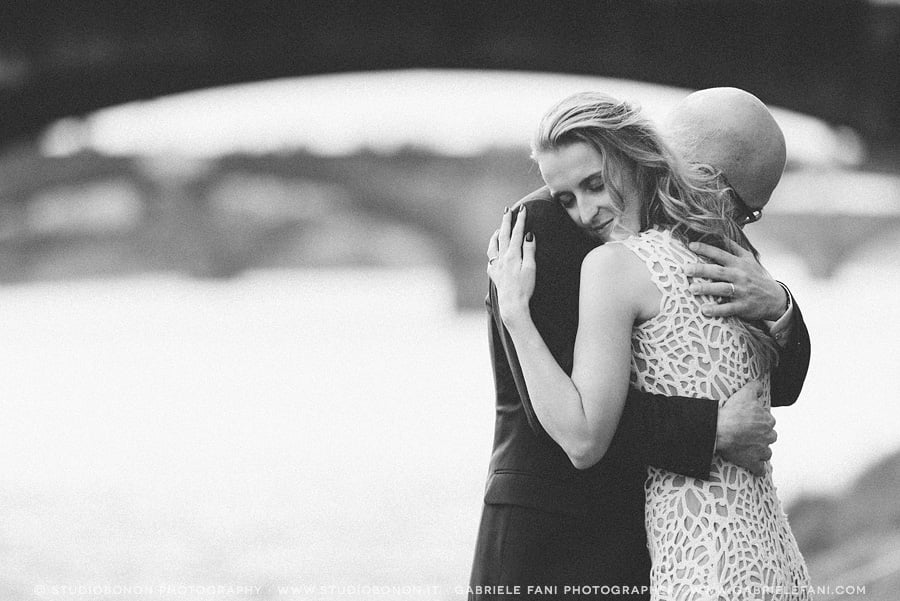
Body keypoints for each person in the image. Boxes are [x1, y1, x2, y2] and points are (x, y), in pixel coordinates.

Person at [483, 90, 810, 599]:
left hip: (669, 535)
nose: (585, 212)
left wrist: (778, 302)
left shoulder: (694, 233)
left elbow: (773, 385)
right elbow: (561, 420)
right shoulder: (540, 233)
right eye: (572, 193)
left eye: (748, 213)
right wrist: (711, 429)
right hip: (553, 538)